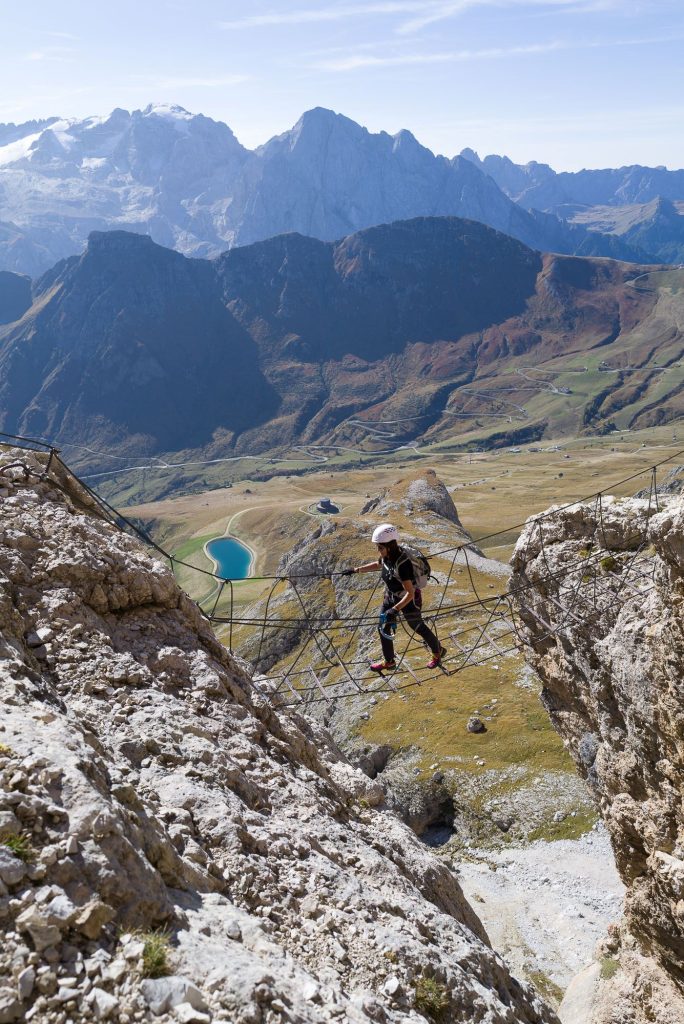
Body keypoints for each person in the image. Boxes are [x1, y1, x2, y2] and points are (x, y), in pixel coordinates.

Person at [342, 523, 446, 672]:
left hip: (408, 600)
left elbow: (410, 593)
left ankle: (437, 652)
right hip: (391, 597)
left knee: (417, 626)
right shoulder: (387, 556)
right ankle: (389, 661)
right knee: (383, 626)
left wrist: (395, 610)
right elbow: (378, 565)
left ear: (389, 546)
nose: (378, 550)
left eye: (380, 548)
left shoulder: (402, 564)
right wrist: (356, 570)